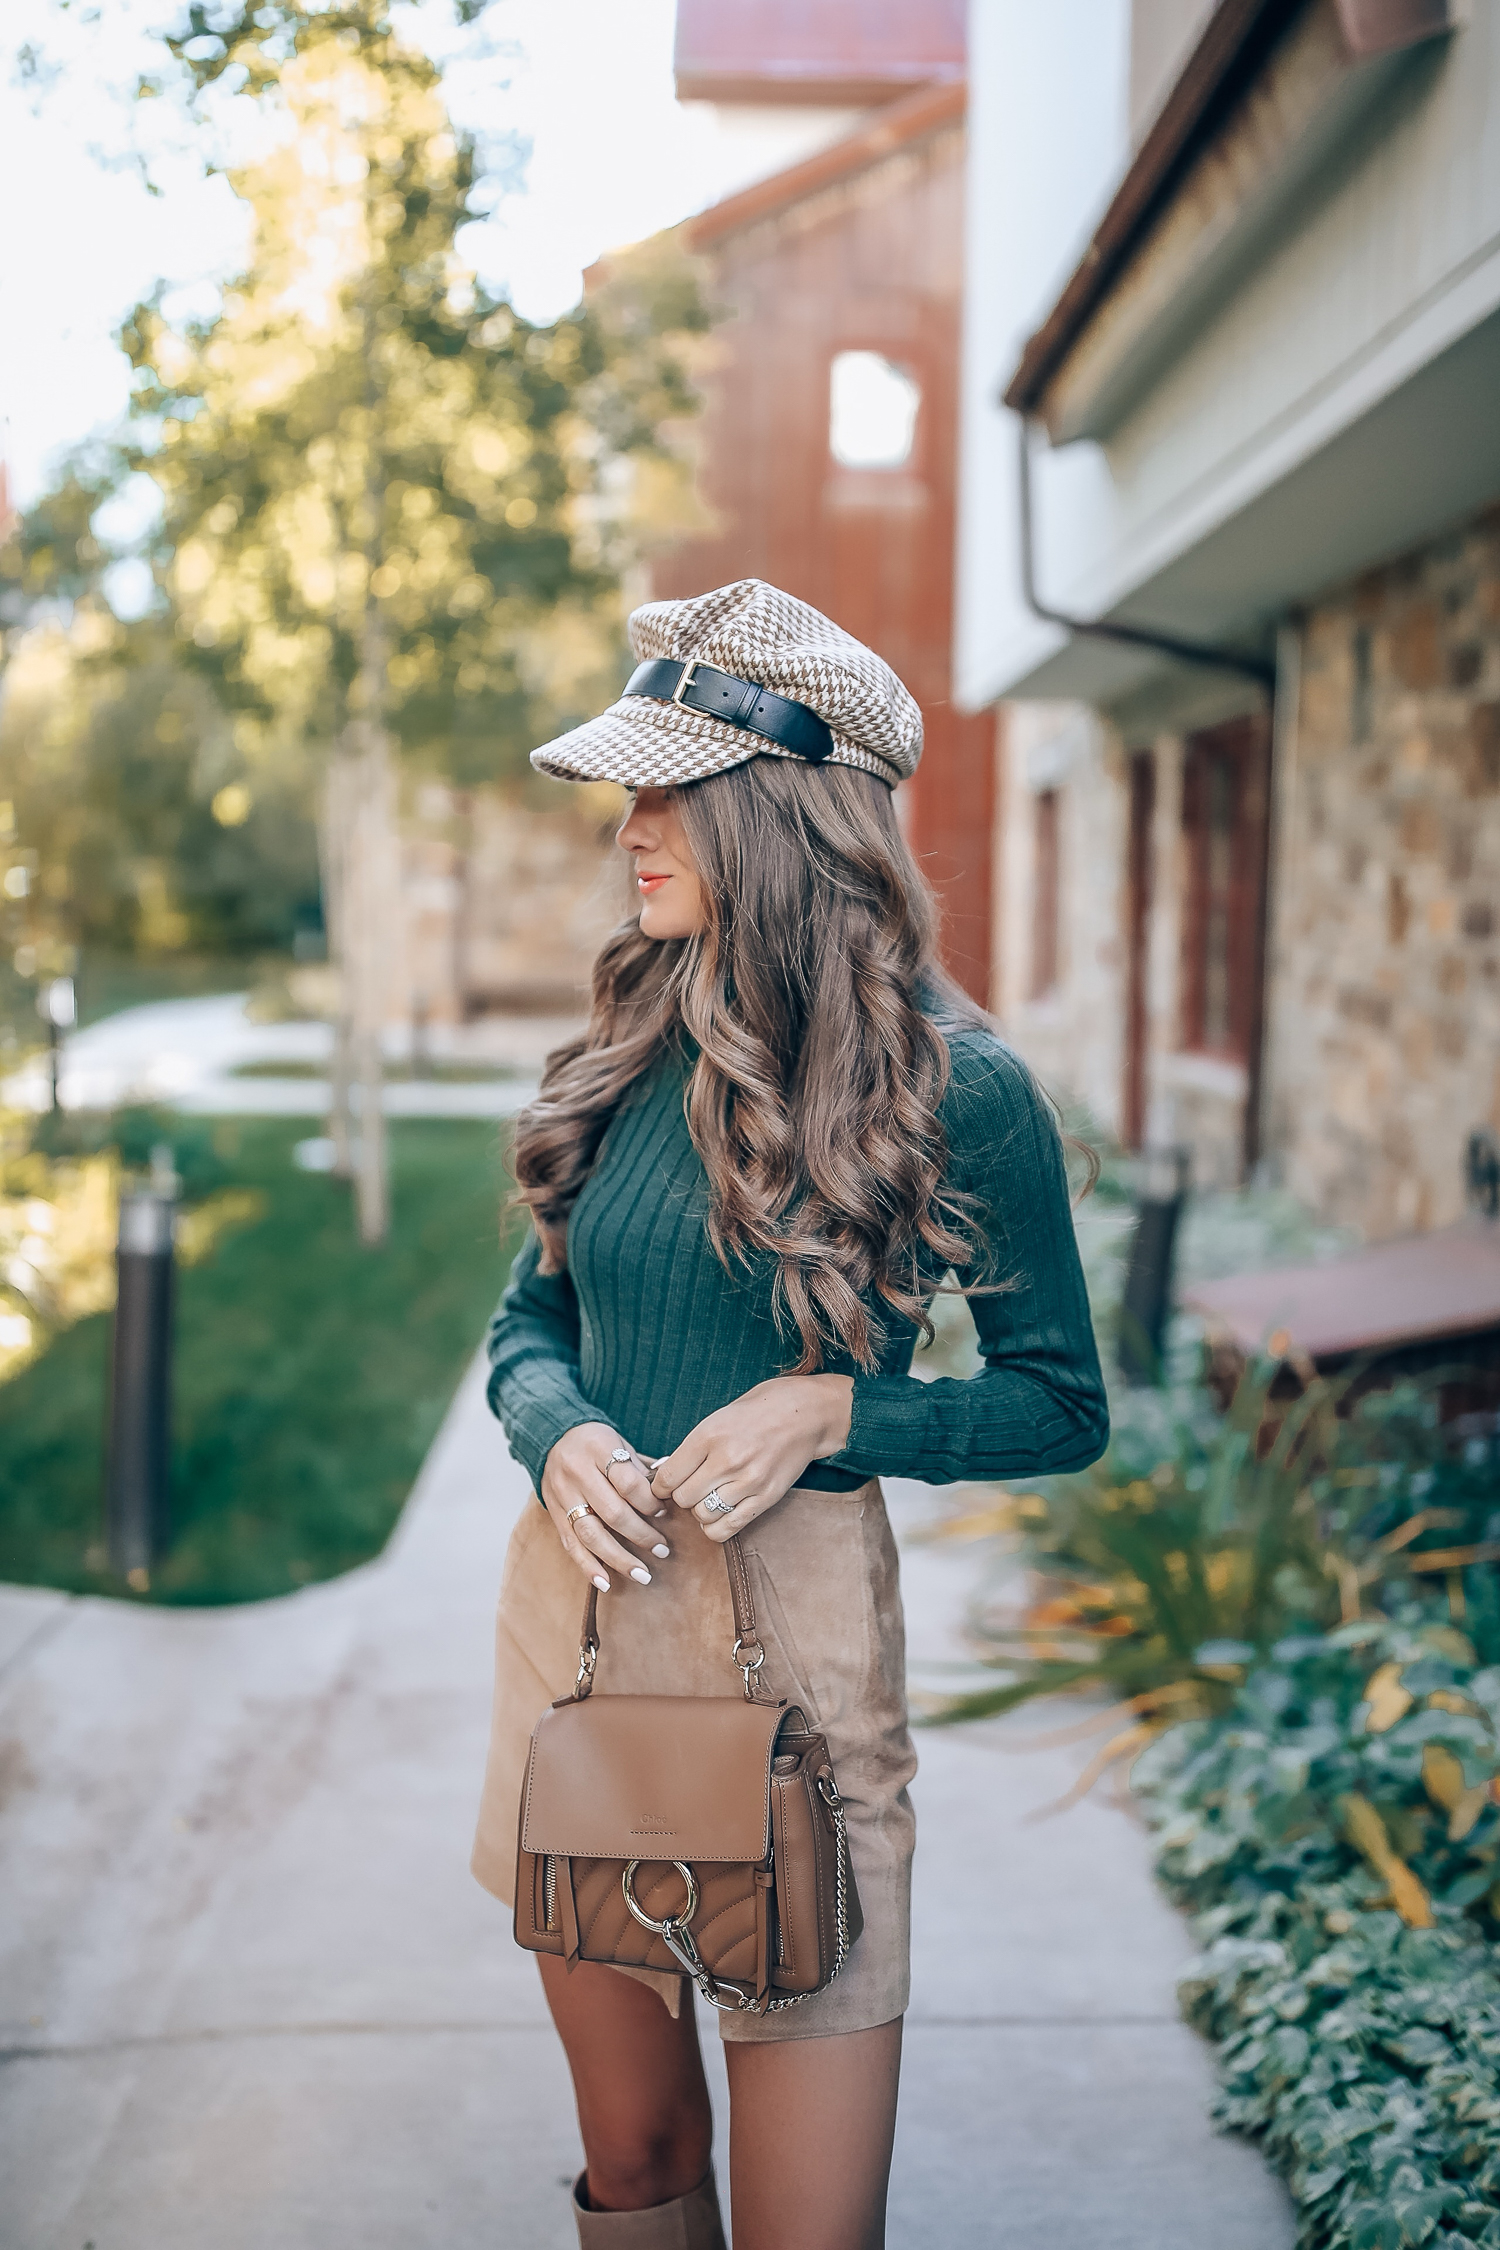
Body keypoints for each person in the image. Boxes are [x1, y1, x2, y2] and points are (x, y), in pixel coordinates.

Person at [471, 579, 1108, 2249]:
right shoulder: (626, 1039)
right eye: (633, 786)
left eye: (672, 786)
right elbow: (531, 1315)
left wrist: (839, 1409)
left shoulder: (955, 1090)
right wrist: (559, 1429)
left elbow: (1061, 1404)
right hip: (584, 1639)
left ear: (780, 806)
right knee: (633, 2156)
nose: (632, 825)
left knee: (809, 2231)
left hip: (805, 1678)